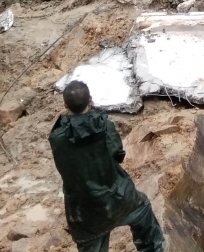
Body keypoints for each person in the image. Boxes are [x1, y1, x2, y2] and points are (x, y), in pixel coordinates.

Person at [48, 81, 165, 252]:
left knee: (90, 242)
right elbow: (118, 154)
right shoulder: (104, 126)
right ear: (90, 99)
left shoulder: (57, 136)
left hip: (83, 210)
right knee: (142, 209)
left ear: (65, 104)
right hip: (117, 196)